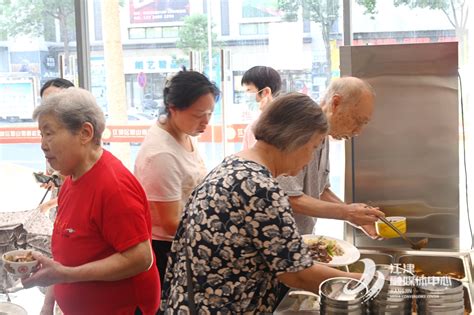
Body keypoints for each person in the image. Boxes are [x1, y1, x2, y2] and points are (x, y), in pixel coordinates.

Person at [160, 93, 361, 313]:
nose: (311, 158)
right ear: (296, 140)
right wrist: (368, 281)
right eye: (314, 147)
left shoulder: (234, 165)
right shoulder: (261, 188)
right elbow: (298, 275)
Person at [22, 88, 160, 315]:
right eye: (41, 134)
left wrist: (64, 275)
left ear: (85, 133)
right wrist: (49, 302)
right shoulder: (72, 177)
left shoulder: (114, 187)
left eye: (49, 133)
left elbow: (140, 259)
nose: (43, 144)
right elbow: (68, 253)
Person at [134, 70, 220, 285]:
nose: (205, 122)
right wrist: (219, 229)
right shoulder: (161, 154)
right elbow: (170, 223)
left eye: (210, 113)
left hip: (188, 235)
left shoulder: (183, 131)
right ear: (173, 109)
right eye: (199, 115)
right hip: (167, 248)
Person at [278, 77, 385, 237]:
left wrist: (356, 218)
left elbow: (320, 191)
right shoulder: (299, 131)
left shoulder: (324, 134)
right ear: (335, 103)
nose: (358, 131)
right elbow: (288, 197)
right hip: (280, 242)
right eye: (358, 120)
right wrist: (347, 212)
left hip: (302, 239)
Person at [37, 78, 75, 215]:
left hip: (75, 209)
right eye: (46, 103)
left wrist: (49, 204)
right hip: (59, 210)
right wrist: (55, 178)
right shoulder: (49, 130)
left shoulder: (81, 135)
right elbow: (63, 175)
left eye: (56, 102)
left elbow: (82, 185)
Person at [241, 65, 282, 149]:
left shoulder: (254, 128)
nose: (246, 96)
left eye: (248, 90)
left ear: (265, 92)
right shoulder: (251, 128)